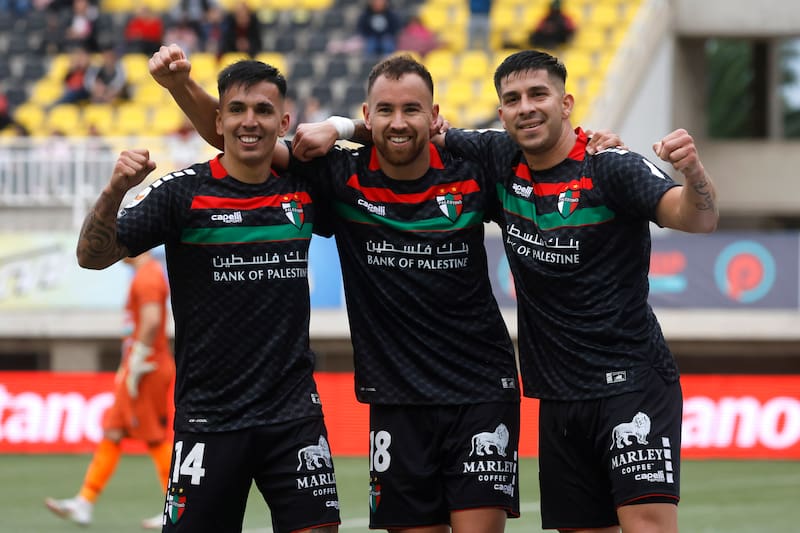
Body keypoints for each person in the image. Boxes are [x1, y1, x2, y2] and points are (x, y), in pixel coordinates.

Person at [149, 45, 525, 533]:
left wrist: (599, 146)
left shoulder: (470, 171)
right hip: (396, 398)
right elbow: (245, 138)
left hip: (480, 390)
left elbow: (544, 156)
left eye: (412, 109)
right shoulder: (342, 177)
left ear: (433, 116)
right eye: (384, 110)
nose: (398, 121)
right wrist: (181, 84)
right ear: (367, 115)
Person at [436, 50, 717, 532]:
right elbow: (411, 130)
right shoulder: (498, 158)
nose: (526, 107)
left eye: (538, 94)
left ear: (565, 103)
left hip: (631, 383)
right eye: (512, 99)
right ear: (501, 112)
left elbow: (698, 217)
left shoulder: (611, 166)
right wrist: (339, 128)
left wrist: (692, 172)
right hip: (559, 395)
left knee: (647, 525)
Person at [75, 59, 340, 533]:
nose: (249, 121)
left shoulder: (305, 189)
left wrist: (345, 126)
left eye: (263, 110)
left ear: (283, 123)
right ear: (218, 122)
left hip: (293, 416)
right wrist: (115, 190)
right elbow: (91, 256)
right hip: (208, 419)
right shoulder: (182, 193)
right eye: (235, 109)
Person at [45, 250, 175, 530]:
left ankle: (174, 508)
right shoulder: (143, 275)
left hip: (147, 370)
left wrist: (139, 356)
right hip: (137, 367)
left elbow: (152, 321)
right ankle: (85, 501)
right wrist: (129, 362)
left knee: (154, 438)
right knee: (113, 431)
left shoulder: (149, 276)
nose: (117, 251)